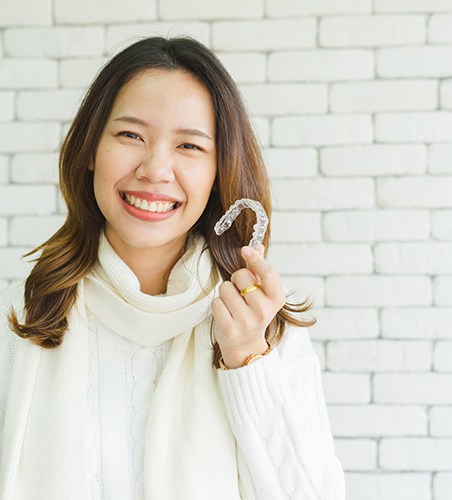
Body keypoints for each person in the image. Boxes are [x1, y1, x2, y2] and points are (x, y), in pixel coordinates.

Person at [0, 36, 345, 499]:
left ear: (219, 171)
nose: (156, 169)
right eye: (130, 136)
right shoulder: (24, 322)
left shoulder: (266, 331)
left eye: (189, 146)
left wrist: (247, 361)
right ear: (89, 151)